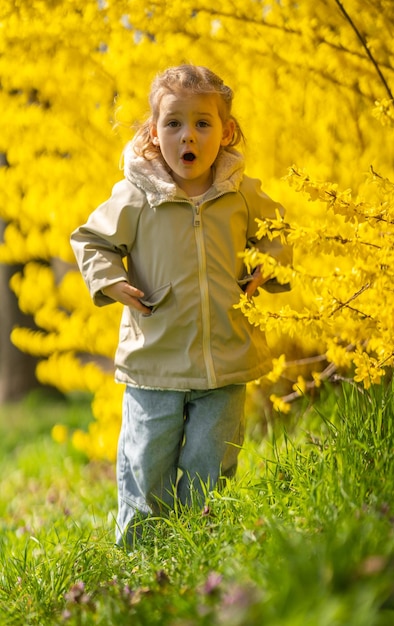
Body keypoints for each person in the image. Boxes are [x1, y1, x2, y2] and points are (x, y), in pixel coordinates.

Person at [70, 64, 292, 548]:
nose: (187, 135)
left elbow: (277, 234)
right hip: (155, 361)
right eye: (173, 123)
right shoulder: (137, 195)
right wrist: (112, 282)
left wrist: (267, 268)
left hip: (225, 361)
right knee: (146, 464)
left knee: (210, 467)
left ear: (226, 131)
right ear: (153, 133)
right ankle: (140, 556)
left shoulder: (241, 194)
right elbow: (90, 240)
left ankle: (200, 548)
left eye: (202, 123)